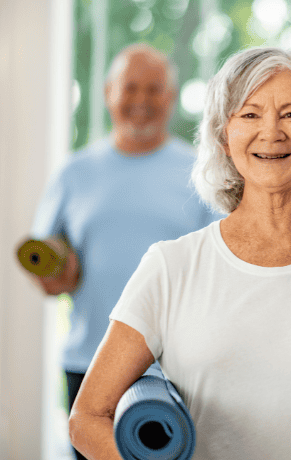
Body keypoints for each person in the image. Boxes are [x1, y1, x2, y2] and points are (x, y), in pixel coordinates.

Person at [68, 47, 291, 460]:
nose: (271, 131)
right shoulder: (171, 267)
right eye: (250, 114)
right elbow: (87, 417)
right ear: (225, 134)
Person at [26, 43, 223, 460]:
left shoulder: (201, 174)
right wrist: (57, 274)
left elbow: (220, 270)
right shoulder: (73, 173)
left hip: (176, 368)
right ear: (108, 92)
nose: (141, 101)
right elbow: (46, 271)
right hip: (89, 364)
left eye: (154, 90)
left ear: (170, 98)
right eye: (130, 88)